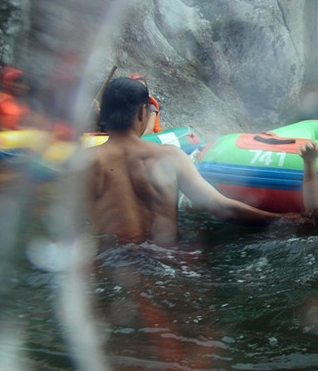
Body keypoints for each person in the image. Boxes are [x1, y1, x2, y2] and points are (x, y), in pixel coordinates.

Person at [85, 77, 293, 245]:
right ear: (142, 113)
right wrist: (283, 220)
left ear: (103, 114)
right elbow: (221, 207)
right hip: (166, 261)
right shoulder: (170, 157)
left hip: (114, 267)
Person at [0, 65, 30, 131]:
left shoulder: (23, 105)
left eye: (23, 84)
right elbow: (1, 128)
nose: (21, 87)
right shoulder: (2, 100)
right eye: (16, 83)